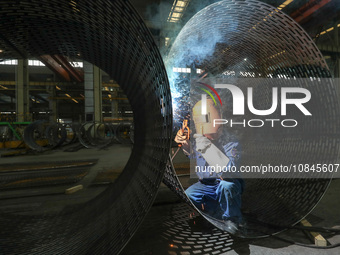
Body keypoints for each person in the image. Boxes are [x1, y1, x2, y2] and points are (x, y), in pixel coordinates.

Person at [175, 98, 244, 234]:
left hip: (227, 182)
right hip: (207, 184)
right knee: (190, 194)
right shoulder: (200, 139)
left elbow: (228, 170)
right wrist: (186, 144)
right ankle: (212, 214)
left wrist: (205, 145)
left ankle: (233, 219)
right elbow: (194, 156)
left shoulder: (230, 142)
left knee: (227, 187)